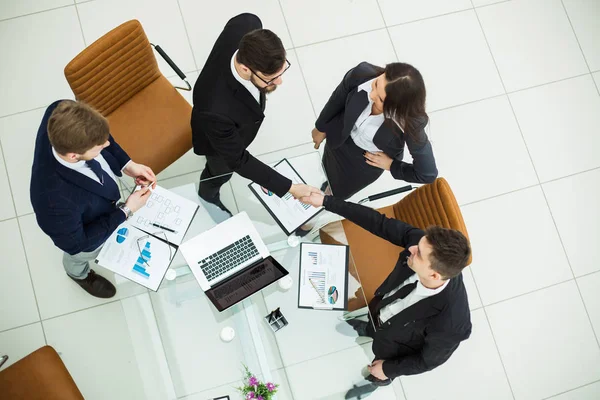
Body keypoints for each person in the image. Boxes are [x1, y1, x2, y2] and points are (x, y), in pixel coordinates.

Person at [300, 191, 471, 393]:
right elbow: (377, 222)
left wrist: (388, 369)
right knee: (376, 321)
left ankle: (377, 380)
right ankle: (370, 329)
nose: (411, 248)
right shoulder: (418, 244)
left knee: (378, 369)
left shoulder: (452, 323)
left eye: (418, 254)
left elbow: (426, 361)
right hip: (383, 308)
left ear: (434, 276)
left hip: (395, 348)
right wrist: (327, 201)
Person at [191, 13, 318, 214]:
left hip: (231, 120)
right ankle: (208, 194)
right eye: (271, 78)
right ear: (244, 68)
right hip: (216, 141)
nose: (279, 82)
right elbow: (238, 160)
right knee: (220, 172)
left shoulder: (247, 23)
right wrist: (290, 188)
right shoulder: (215, 108)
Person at [30, 100, 156, 298]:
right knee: (78, 256)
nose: (107, 144)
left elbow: (103, 138)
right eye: (98, 148)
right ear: (73, 156)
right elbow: (77, 243)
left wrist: (127, 164)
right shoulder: (53, 202)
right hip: (88, 232)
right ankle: (77, 273)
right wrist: (126, 211)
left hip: (99, 200)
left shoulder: (60, 109)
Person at [312, 62, 438, 199]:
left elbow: (427, 174)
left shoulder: (410, 123)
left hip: (362, 164)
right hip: (338, 138)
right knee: (325, 169)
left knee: (337, 192)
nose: (371, 95)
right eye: (376, 84)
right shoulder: (361, 74)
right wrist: (321, 127)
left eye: (380, 99)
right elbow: (337, 100)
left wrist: (392, 165)